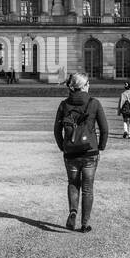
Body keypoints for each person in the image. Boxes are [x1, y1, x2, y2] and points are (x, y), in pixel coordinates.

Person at [54, 72, 109, 233]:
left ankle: (72, 211)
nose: (89, 85)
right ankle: (84, 224)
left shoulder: (64, 104)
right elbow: (104, 129)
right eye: (88, 83)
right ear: (83, 85)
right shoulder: (94, 103)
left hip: (70, 152)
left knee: (73, 183)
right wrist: (100, 147)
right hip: (90, 151)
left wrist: (62, 147)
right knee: (87, 188)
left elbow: (57, 130)